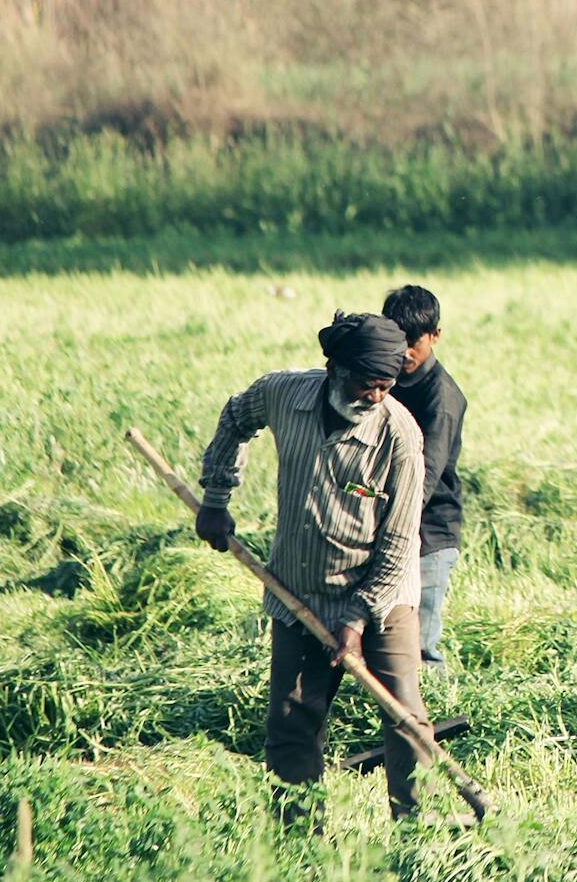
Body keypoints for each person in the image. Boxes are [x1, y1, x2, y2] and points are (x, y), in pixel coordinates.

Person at [195, 311, 433, 822]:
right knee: (291, 723)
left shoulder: (400, 436)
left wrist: (355, 619)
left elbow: (398, 543)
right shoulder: (284, 394)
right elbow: (236, 418)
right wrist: (216, 497)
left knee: (405, 718)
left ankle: (419, 830)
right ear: (335, 369)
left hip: (382, 598)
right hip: (298, 593)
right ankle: (300, 839)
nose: (375, 397)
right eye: (367, 384)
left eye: (386, 386)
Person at [382, 285, 468, 671]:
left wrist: (387, 526)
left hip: (429, 534)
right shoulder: (382, 381)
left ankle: (428, 725)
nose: (405, 352)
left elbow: (425, 477)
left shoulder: (443, 399)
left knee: (420, 647)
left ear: (435, 335)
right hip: (388, 522)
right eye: (396, 340)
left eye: (413, 341)